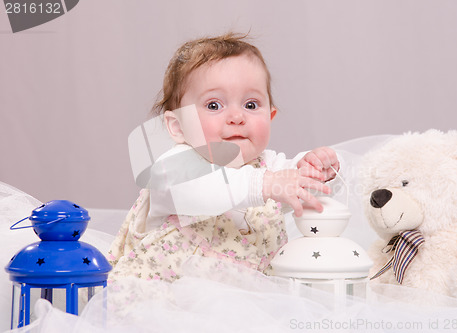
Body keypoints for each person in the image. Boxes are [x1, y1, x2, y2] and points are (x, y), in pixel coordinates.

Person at [107, 33, 340, 282]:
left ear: (270, 116)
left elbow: (303, 191)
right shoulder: (172, 169)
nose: (237, 117)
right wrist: (266, 184)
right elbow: (203, 190)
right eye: (214, 105)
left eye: (251, 105)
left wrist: (316, 170)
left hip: (246, 305)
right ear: (178, 127)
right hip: (167, 303)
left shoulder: (268, 166)